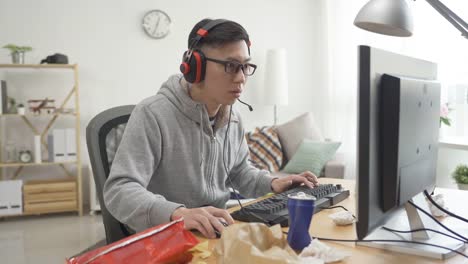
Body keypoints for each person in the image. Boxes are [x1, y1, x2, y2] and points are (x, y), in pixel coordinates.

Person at [103, 18, 319, 239]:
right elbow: (120, 190)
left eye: (245, 66)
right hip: (167, 236)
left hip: (217, 230)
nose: (241, 78)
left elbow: (240, 172)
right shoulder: (152, 114)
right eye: (231, 66)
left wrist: (273, 182)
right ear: (195, 67)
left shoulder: (233, 117)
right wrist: (178, 213)